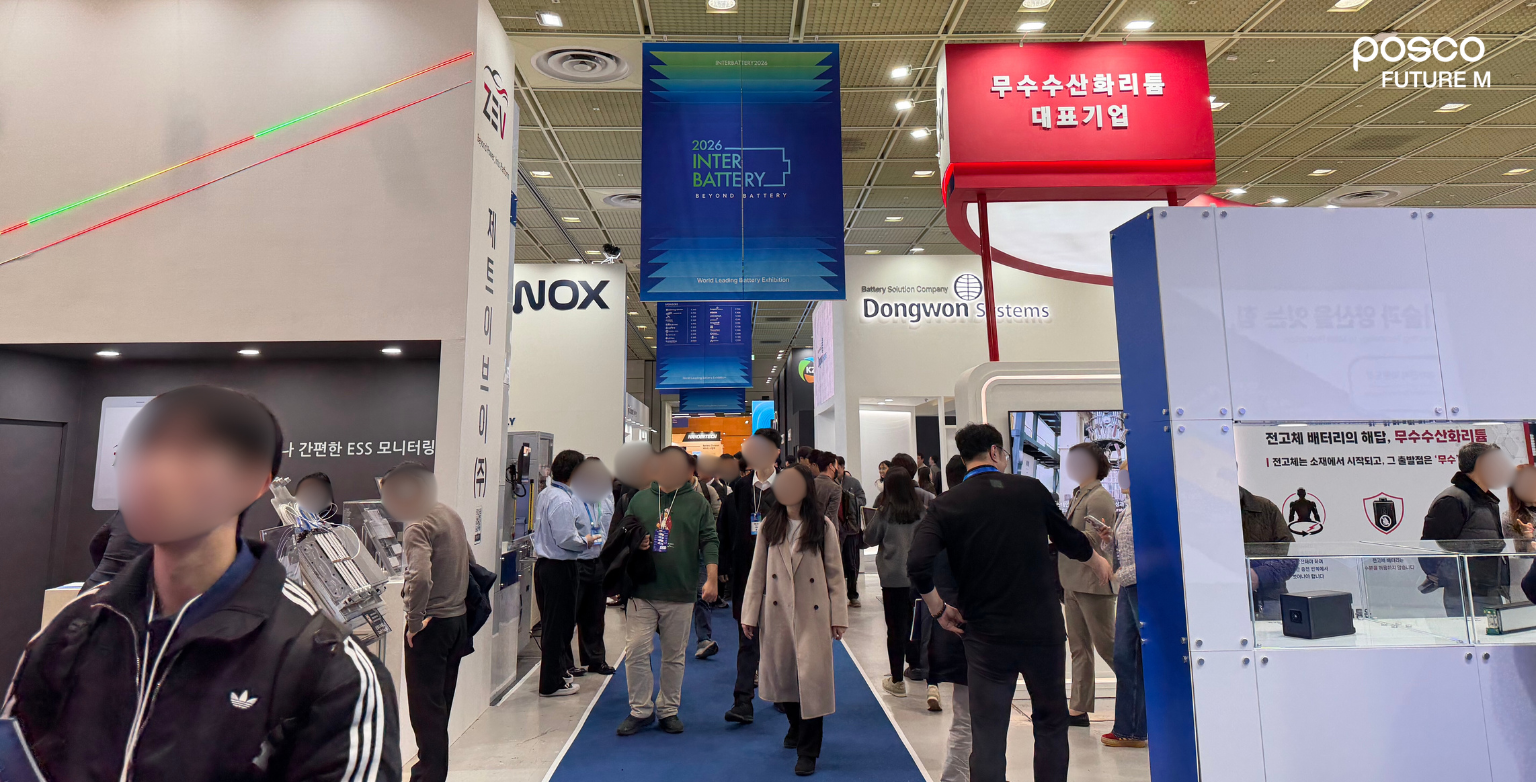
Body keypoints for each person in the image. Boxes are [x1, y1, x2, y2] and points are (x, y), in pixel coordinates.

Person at [4, 385, 400, 781]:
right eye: (141, 450)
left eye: (187, 456)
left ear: (253, 482)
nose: (153, 474)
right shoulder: (73, 631)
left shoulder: (327, 667)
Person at [909, 423, 1110, 782]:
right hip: (1043, 632)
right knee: (1051, 725)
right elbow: (1067, 538)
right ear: (995, 453)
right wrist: (1096, 561)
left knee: (987, 736)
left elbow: (917, 564)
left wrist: (938, 609)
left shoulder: (947, 504)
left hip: (986, 638)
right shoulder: (1031, 490)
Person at [741, 463, 848, 777]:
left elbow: (835, 575)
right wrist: (749, 614)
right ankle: (795, 726)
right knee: (784, 679)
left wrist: (838, 616)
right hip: (777, 614)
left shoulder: (822, 526)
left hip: (813, 615)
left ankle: (808, 751)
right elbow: (757, 573)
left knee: (812, 682)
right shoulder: (769, 526)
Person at [618, 446, 719, 736]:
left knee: (674, 655)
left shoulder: (698, 503)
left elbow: (709, 539)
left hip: (680, 590)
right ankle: (640, 709)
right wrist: (636, 543)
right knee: (636, 650)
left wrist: (712, 578)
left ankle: (668, 709)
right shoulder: (640, 499)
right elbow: (624, 535)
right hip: (642, 590)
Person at [387, 461, 473, 782]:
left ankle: (427, 777)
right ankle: (433, 774)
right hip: (456, 621)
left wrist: (414, 622)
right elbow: (470, 562)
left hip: (431, 627)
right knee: (439, 709)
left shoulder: (418, 524)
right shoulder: (449, 514)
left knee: (426, 713)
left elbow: (420, 577)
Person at [719, 428, 781, 724]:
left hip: (782, 576)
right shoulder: (741, 489)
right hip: (747, 575)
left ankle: (783, 694)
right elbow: (726, 530)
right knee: (747, 638)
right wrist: (724, 568)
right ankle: (742, 701)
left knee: (781, 639)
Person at [1059, 442, 1118, 726]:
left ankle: (1144, 694)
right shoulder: (1080, 494)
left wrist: (1059, 534)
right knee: (1079, 648)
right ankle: (1078, 708)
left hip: (1093, 582)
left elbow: (1095, 538)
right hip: (1072, 579)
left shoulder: (1099, 497)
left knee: (1108, 646)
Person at [1421, 442, 1517, 616]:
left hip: (1489, 589)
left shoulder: (1486, 501)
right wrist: (1451, 578)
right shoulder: (1453, 500)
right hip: (1465, 594)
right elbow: (1430, 548)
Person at [863, 466, 927, 698]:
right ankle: (921, 671)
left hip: (892, 579)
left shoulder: (884, 513)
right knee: (917, 627)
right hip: (918, 578)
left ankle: (897, 680)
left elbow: (869, 538)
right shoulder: (922, 513)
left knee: (895, 629)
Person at [531, 449, 590, 696]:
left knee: (554, 624)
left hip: (546, 566)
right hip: (559, 567)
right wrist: (586, 541)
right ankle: (551, 683)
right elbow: (566, 538)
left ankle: (557, 673)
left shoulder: (547, 493)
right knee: (558, 627)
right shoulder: (563, 500)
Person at [1098, 459, 1146, 749]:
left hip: (1142, 587)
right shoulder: (1127, 508)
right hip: (1129, 588)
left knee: (1137, 656)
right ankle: (1129, 727)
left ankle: (1135, 728)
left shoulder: (1148, 508)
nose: (1123, 479)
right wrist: (1108, 540)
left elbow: (1157, 553)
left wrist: (1122, 575)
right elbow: (1124, 549)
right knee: (1126, 656)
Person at [571, 456, 617, 676]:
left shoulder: (607, 497)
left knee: (596, 614)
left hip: (599, 561)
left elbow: (609, 527)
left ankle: (596, 660)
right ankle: (566, 663)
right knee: (571, 614)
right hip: (577, 561)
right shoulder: (573, 497)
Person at [1241, 486, 1297, 620]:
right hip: (1217, 602)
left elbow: (1291, 557)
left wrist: (1259, 575)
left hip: (1268, 600)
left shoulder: (1265, 508)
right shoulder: (1201, 511)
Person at [811, 451, 855, 608]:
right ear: (831, 466)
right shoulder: (835, 488)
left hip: (810, 534)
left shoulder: (810, 485)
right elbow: (829, 517)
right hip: (828, 537)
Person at [82, 509, 149, 589]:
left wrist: (105, 570)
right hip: (128, 591)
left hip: (94, 586)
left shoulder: (126, 512)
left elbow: (95, 545)